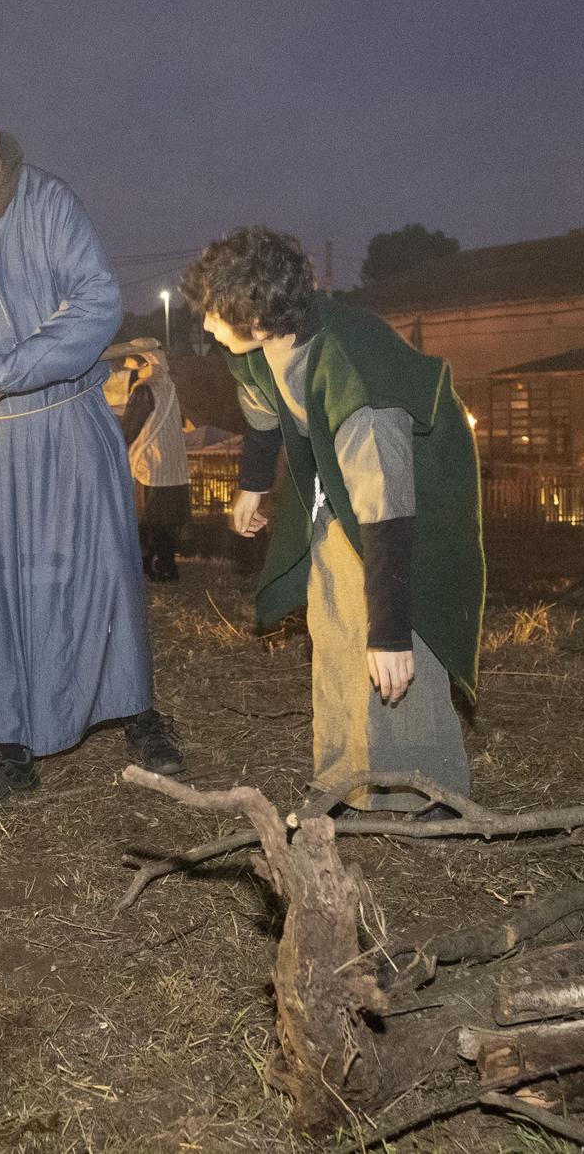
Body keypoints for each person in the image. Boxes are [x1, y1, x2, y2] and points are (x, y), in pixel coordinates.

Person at [0, 83, 182, 805]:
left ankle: (140, 717)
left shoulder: (50, 205)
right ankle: (9, 744)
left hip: (63, 431)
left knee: (97, 574)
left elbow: (95, 302)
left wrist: (8, 370)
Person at [182, 226, 484, 813]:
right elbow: (262, 408)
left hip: (411, 495)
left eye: (216, 316)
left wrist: (391, 631)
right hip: (341, 482)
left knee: (400, 645)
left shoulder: (355, 376)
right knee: (334, 618)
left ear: (261, 322)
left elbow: (388, 508)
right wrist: (251, 485)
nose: (206, 326)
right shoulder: (265, 341)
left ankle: (428, 793)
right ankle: (345, 778)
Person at [119, 351, 191, 582]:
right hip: (172, 466)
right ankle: (164, 565)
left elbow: (129, 428)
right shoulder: (167, 386)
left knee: (149, 521)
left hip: (150, 465)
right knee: (164, 522)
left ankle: (156, 567)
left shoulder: (145, 389)